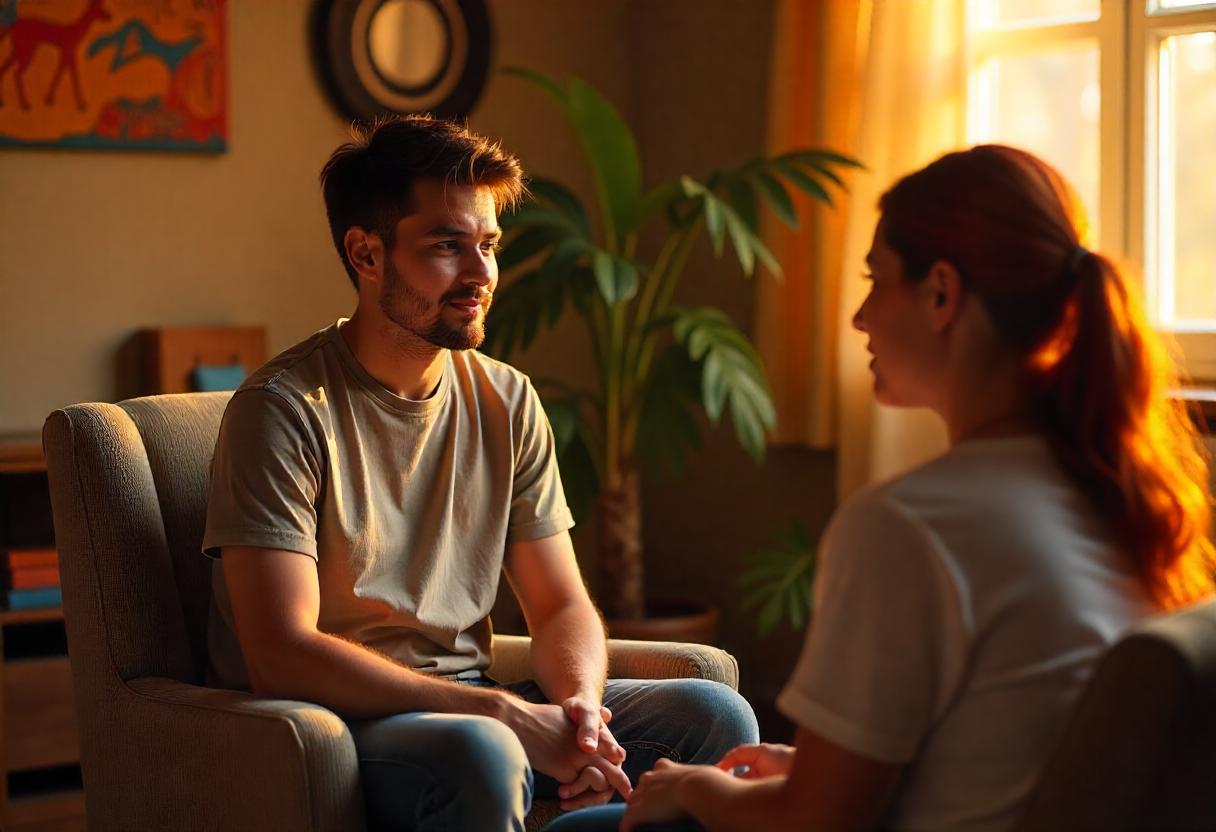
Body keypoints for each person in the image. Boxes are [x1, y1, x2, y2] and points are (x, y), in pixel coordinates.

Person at [545, 144, 1216, 832]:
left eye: (876, 280)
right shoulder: (1116, 499)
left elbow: (814, 825)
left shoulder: (906, 526)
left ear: (941, 293)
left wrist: (691, 790)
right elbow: (1006, 749)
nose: (861, 317)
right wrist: (815, 769)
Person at [201, 114, 758, 831]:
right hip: (339, 722)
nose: (481, 275)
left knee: (712, 714)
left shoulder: (506, 398)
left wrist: (580, 713)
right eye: (446, 247)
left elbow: (559, 604)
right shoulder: (281, 411)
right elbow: (282, 651)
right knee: (486, 748)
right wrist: (501, 711)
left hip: (475, 698)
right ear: (365, 254)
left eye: (488, 246)